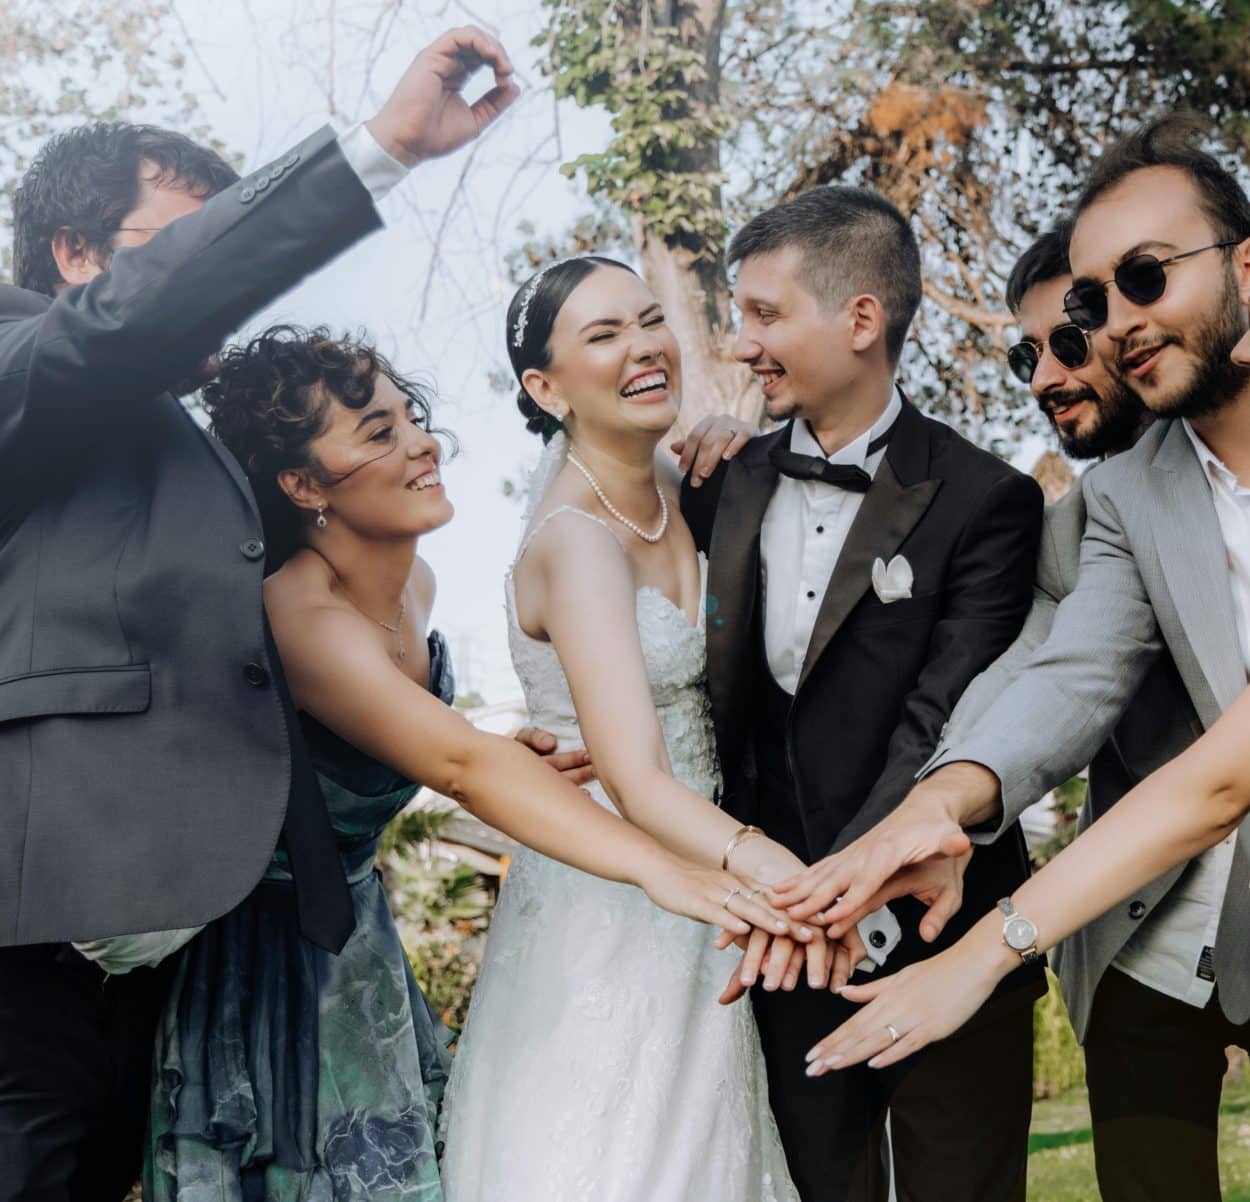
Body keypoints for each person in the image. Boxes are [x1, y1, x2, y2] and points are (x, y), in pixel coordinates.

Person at [786, 152, 1250, 1202]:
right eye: (1091, 300)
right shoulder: (1130, 501)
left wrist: (983, 955)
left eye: (1145, 276)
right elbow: (1070, 674)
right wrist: (944, 804)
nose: (1111, 325)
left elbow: (1219, 779)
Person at [0, 29, 520, 1201]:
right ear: (77, 254)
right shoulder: (21, 356)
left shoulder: (178, 447)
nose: (209, 285)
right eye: (177, 245)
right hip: (22, 948)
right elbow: (122, 327)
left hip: (154, 960)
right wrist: (381, 150)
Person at [149, 324, 786, 1200]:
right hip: (267, 973)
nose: (421, 444)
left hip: (357, 940)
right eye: (378, 433)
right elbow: (456, 765)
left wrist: (500, 749)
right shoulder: (301, 614)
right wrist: (659, 868)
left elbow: (394, 760)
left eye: (412, 417)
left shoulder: (418, 589)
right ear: (300, 484)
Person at [683, 186, 1045, 1202]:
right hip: (781, 945)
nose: (743, 341)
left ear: (859, 319)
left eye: (764, 312)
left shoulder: (989, 499)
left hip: (947, 932)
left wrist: (849, 882)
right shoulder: (720, 480)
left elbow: (948, 714)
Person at [439, 256, 813, 1201]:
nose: (645, 346)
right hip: (615, 906)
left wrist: (736, 436)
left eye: (651, 320)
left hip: (703, 906)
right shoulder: (574, 539)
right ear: (544, 386)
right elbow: (639, 779)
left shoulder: (680, 478)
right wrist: (772, 868)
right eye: (603, 336)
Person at [949, 225, 1250, 1202]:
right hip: (1138, 954)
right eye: (1027, 356)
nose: (1044, 376)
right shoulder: (1070, 529)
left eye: (1068, 338)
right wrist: (930, 809)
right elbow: (1023, 683)